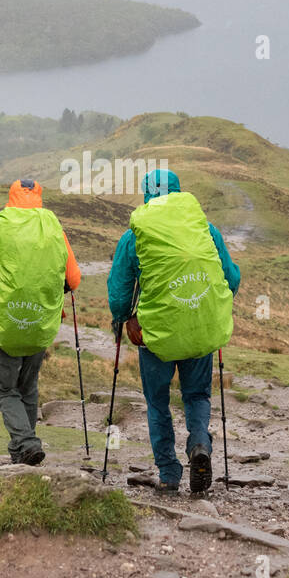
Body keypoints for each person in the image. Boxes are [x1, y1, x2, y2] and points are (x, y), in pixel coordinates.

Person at [107, 169, 240, 493]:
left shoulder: (134, 236)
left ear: (146, 195)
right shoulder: (205, 230)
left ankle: (168, 473)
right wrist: (210, 304)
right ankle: (199, 445)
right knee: (196, 395)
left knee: (157, 401)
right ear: (180, 192)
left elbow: (119, 291)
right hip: (199, 328)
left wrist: (124, 318)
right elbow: (231, 279)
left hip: (156, 335)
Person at [0, 179, 82, 465]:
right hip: (41, 323)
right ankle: (24, 451)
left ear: (10, 199)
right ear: (39, 199)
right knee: (28, 387)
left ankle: (27, 442)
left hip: (6, 320)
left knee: (6, 389)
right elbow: (73, 280)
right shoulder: (56, 233)